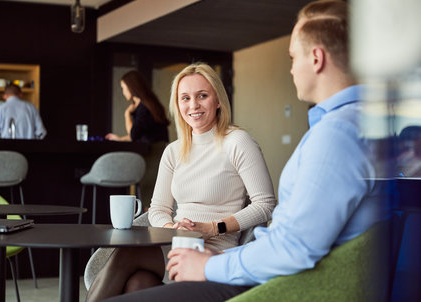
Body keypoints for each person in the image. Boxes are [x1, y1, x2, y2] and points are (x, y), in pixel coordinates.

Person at [103, 1, 389, 301]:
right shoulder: (347, 127)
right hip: (209, 251)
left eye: (292, 57)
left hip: (232, 259)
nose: (290, 68)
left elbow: (290, 245)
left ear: (316, 58)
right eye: (185, 98)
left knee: (130, 275)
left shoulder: (334, 136)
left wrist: (213, 258)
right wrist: (177, 228)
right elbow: (289, 239)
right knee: (136, 282)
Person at [85, 63, 276, 302]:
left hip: (215, 252)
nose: (193, 105)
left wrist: (212, 227)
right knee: (138, 283)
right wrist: (172, 228)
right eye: (185, 98)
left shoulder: (238, 142)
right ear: (178, 105)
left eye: (202, 96)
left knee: (128, 257)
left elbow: (265, 204)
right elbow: (158, 210)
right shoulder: (174, 151)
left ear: (217, 100)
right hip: (175, 243)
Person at [105, 70, 169, 144]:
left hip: (152, 152)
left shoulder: (144, 108)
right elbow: (138, 134)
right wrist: (120, 139)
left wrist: (127, 114)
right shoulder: (147, 104)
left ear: (130, 87)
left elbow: (133, 136)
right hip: (154, 150)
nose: (123, 92)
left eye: (123, 88)